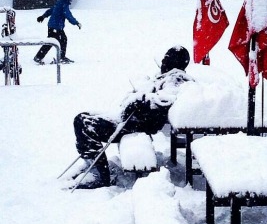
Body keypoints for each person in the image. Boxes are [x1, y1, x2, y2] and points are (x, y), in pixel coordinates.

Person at [72, 46, 193, 189]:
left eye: (167, 58)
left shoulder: (176, 78)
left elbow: (167, 99)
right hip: (132, 119)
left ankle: (101, 175)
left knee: (84, 123)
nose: (163, 61)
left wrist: (141, 99)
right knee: (84, 118)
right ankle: (92, 164)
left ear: (176, 62)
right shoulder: (166, 75)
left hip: (137, 124)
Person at [33, 0, 81, 65]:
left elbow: (51, 10)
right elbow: (68, 15)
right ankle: (59, 57)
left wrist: (43, 16)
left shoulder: (59, 2)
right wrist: (76, 23)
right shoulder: (64, 5)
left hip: (53, 26)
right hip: (56, 27)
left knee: (57, 40)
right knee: (57, 41)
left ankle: (41, 56)